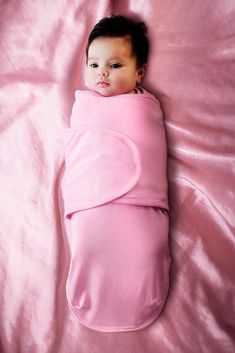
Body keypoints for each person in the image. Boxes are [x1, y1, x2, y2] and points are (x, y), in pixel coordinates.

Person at [61, 15, 171, 332]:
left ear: (139, 73)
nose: (102, 73)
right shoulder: (83, 105)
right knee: (89, 244)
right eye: (93, 65)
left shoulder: (145, 107)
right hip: (92, 198)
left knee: (145, 246)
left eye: (115, 65)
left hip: (140, 200)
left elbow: (150, 145)